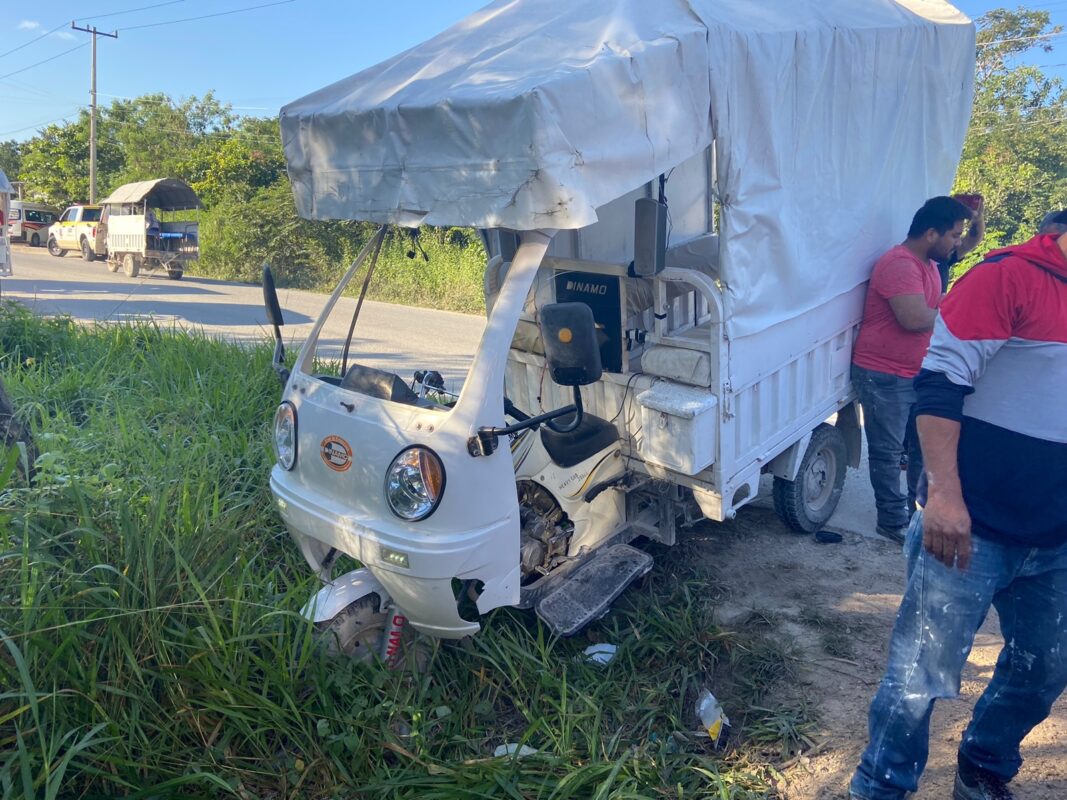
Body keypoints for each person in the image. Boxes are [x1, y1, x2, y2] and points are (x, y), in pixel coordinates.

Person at [849, 230, 1067, 800]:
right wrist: (943, 495)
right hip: (972, 526)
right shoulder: (1007, 276)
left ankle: (982, 767)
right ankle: (880, 788)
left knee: (1042, 671)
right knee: (921, 678)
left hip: (1059, 536)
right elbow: (940, 384)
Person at [851, 196, 974, 542]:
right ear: (931, 233)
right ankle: (892, 523)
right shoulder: (900, 264)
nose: (956, 243)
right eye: (953, 235)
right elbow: (915, 318)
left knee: (922, 450)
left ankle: (913, 514)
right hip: (883, 375)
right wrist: (955, 309)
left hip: (915, 372)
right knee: (888, 453)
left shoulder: (931, 264)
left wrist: (975, 223)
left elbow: (929, 310)